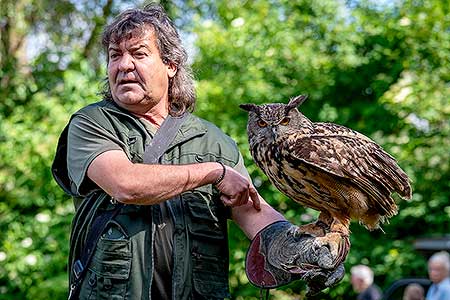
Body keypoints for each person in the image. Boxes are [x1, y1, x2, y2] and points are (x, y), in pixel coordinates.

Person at [52, 3, 345, 300]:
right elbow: (125, 184)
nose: (123, 65)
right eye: (115, 55)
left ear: (171, 65)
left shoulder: (213, 141)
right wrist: (212, 172)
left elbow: (252, 213)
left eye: (139, 54)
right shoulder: (92, 123)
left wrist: (301, 248)